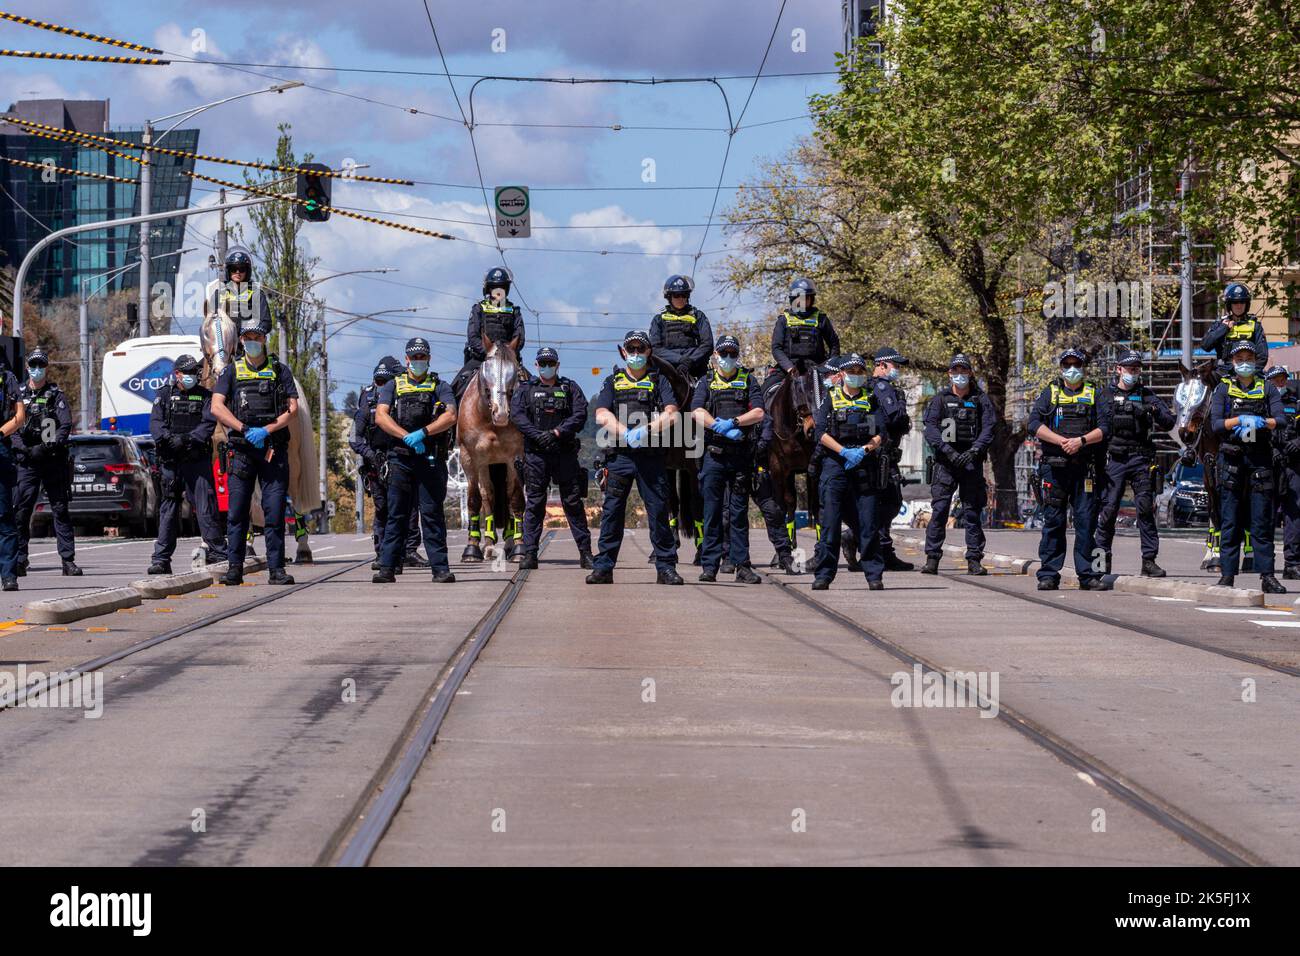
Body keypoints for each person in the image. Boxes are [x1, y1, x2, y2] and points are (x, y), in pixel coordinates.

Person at [209, 316, 299, 586]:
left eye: (256, 338)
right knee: (236, 513)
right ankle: (234, 568)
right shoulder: (231, 371)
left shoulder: (280, 370)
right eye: (247, 338)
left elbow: (292, 409)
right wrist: (243, 428)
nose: (252, 342)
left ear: (264, 340)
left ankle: (276, 570)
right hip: (241, 449)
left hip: (272, 448)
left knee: (273, 513)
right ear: (241, 341)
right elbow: (216, 406)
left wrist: (268, 430)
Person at [587, 330, 682, 585]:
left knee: (659, 512)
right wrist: (626, 433)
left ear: (648, 352)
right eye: (632, 349)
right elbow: (601, 414)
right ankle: (604, 567)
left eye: (641, 349)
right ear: (624, 352)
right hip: (620, 456)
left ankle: (666, 568)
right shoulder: (613, 381)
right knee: (612, 513)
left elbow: (672, 414)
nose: (636, 354)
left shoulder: (659, 381)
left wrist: (647, 430)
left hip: (650, 456)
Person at [371, 337, 458, 584]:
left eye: (423, 357)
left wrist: (425, 433)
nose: (418, 361)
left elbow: (451, 415)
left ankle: (440, 569)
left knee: (431, 514)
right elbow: (381, 416)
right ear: (407, 358)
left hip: (429, 457)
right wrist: (406, 436)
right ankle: (387, 568)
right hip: (400, 457)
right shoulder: (393, 385)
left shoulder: (439, 385)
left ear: (429, 359)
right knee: (396, 514)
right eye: (414, 357)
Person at [1029, 348, 1112, 591]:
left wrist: (1081, 441)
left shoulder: (1095, 392)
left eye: (1077, 364)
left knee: (1087, 523)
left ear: (1084, 367)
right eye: (1067, 365)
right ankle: (1048, 574)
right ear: (1061, 368)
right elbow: (1034, 424)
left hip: (1084, 469)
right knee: (1053, 522)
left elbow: (1106, 427)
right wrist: (1061, 441)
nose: (1072, 369)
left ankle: (1088, 576)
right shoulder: (1051, 392)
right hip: (1054, 470)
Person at [1210, 341, 1286, 592]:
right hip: (1232, 459)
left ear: (1256, 361)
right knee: (1230, 520)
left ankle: (1267, 576)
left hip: (1259, 459)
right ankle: (1228, 574)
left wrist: (1262, 421)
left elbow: (1281, 420)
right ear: (1232, 362)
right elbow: (1216, 425)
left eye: (1249, 358)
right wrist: (1238, 420)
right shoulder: (1223, 388)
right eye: (1239, 358)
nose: (1244, 362)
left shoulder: (1266, 388)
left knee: (1261, 521)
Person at [509, 346, 593, 570]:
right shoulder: (525, 389)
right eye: (542, 363)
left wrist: (557, 433)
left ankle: (586, 553)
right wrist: (538, 436)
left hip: (564, 452)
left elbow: (580, 414)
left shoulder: (569, 387)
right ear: (536, 365)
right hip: (536, 454)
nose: (546, 367)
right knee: (535, 504)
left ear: (557, 365)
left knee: (573, 503)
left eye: (550, 363)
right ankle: (530, 553)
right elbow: (516, 415)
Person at [689, 334, 764, 583]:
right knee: (712, 513)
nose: (728, 358)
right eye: (724, 354)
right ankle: (710, 565)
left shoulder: (747, 380)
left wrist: (734, 422)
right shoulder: (706, 382)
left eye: (733, 354)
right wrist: (716, 426)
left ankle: (742, 565)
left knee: (738, 514)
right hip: (714, 455)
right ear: (715, 356)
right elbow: (696, 411)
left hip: (741, 455)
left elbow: (759, 412)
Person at [1094, 350, 1176, 577]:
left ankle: (1149, 561)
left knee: (1145, 510)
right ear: (1118, 369)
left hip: (1140, 458)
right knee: (1108, 510)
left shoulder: (1146, 395)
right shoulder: (1105, 395)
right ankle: (1101, 561)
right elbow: (1097, 427)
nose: (1133, 372)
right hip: (1115, 459)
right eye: (1129, 368)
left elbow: (1169, 421)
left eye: (1136, 369)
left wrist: (1151, 410)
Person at [146, 354, 227, 574]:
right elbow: (155, 423)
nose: (193, 375)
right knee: (169, 510)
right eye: (189, 372)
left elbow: (208, 424)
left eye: (195, 372)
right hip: (171, 461)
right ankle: (161, 559)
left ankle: (218, 552)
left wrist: (188, 439)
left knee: (205, 507)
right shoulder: (163, 395)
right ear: (177, 374)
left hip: (196, 460)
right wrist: (169, 439)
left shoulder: (205, 396)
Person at [810, 354, 885, 590]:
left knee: (868, 524)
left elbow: (881, 433)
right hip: (836, 464)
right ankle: (824, 575)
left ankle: (874, 574)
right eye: (851, 370)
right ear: (841, 374)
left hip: (864, 463)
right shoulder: (829, 399)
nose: (856, 374)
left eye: (859, 371)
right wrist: (844, 452)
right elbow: (820, 433)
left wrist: (864, 450)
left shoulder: (870, 398)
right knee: (830, 525)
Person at [922, 353, 996, 575]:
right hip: (946, 462)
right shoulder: (940, 399)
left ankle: (974, 559)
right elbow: (931, 429)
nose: (960, 375)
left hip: (971, 462)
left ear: (970, 373)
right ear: (949, 374)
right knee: (940, 510)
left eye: (964, 371)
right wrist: (948, 451)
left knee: (972, 511)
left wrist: (974, 450)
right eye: (956, 371)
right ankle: (932, 558)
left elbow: (989, 428)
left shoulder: (980, 399)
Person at [12, 348, 80, 576]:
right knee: (21, 511)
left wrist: (49, 446)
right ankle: (20, 559)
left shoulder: (55, 394)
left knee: (60, 510)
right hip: (27, 462)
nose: (37, 370)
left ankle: (67, 561)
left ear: (46, 368)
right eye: (33, 365)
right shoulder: (19, 394)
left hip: (52, 459)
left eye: (41, 366)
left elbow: (64, 425)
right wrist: (25, 450)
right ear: (27, 367)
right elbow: (11, 426)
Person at [351, 355, 422, 571]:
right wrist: (372, 456)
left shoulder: (401, 396)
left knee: (408, 507)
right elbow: (355, 438)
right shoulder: (368, 402)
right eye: (377, 382)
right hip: (375, 463)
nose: (380, 387)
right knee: (383, 509)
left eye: (385, 382)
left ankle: (407, 551)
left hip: (400, 458)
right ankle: (382, 554)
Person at [764, 277, 840, 409]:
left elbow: (834, 344)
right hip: (789, 368)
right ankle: (763, 427)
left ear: (812, 299)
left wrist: (829, 367)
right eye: (800, 298)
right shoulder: (783, 320)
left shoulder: (821, 319)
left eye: (807, 298)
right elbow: (776, 348)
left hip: (817, 368)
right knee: (765, 389)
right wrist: (788, 367)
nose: (803, 302)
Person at [451, 267, 525, 402]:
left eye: (502, 287)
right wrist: (489, 354)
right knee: (456, 387)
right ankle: (451, 420)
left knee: (531, 386)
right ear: (488, 289)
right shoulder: (478, 308)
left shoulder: (514, 311)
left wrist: (507, 354)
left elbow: (519, 337)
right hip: (481, 358)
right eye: (495, 287)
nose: (498, 291)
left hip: (509, 359)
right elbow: (473, 336)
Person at [871, 346, 914, 571]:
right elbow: (896, 418)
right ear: (882, 365)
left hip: (885, 455)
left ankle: (880, 549)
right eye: (895, 365)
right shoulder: (881, 387)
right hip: (881, 456)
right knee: (889, 503)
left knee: (886, 503)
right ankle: (875, 548)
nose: (897, 369)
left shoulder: (881, 387)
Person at [1267, 365, 1300, 579]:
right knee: (1266, 515)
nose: (1280, 383)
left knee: (1294, 514)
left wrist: (1299, 441)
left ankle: (1292, 563)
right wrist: (1272, 449)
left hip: (1294, 465)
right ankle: (1266, 564)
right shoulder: (1262, 403)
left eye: (1282, 380)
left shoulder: (1295, 403)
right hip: (1269, 464)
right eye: (1276, 380)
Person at [649, 275, 714, 382]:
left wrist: (690, 361)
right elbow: (655, 348)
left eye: (684, 295)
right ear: (669, 297)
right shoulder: (658, 319)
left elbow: (707, 344)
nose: (680, 298)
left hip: (695, 366)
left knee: (709, 391)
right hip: (667, 367)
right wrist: (679, 360)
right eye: (676, 295)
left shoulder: (698, 316)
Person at [1202, 282, 1268, 378]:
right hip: (1223, 374)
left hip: (1248, 374)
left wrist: (1249, 374)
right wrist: (1223, 329)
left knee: (1268, 388)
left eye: (1242, 302)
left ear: (1247, 304)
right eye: (1235, 302)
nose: (1239, 305)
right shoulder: (1220, 324)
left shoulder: (1255, 326)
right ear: (1229, 305)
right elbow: (1205, 345)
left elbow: (1262, 356)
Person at [0, 359, 26, 591]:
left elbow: (20, 415)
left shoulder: (7, 377)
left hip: (0, 446)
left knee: (4, 516)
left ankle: (8, 575)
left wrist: (1, 432)